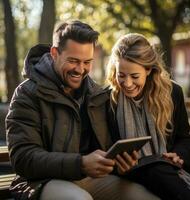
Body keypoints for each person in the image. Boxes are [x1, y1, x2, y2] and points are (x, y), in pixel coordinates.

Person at [6, 21, 160, 200]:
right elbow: (23, 158)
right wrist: (80, 164)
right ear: (55, 54)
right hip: (40, 182)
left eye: (87, 62)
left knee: (144, 196)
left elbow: (105, 147)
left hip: (88, 178)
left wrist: (119, 163)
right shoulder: (27, 94)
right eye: (73, 61)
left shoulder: (96, 94)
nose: (80, 69)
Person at [106, 33, 190, 200]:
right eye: (121, 75)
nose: (127, 83)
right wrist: (119, 165)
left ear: (148, 70)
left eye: (134, 76)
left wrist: (177, 154)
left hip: (172, 165)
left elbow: (184, 138)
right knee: (157, 170)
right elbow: (104, 150)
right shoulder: (108, 101)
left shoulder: (172, 92)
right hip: (136, 170)